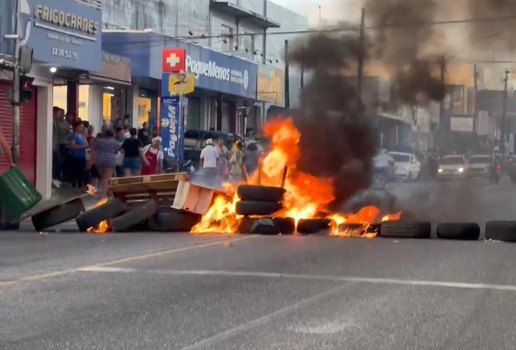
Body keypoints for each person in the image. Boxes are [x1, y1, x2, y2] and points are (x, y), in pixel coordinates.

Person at [93, 129, 120, 198]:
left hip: (100, 160)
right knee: (106, 178)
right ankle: (103, 195)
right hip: (110, 160)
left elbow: (95, 151)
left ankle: (107, 193)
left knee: (103, 178)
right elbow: (116, 151)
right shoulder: (114, 142)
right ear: (112, 135)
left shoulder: (99, 141)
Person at [68, 122, 89, 189]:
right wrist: (82, 147)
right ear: (76, 127)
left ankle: (80, 185)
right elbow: (73, 146)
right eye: (80, 127)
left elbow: (87, 145)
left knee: (81, 171)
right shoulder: (73, 136)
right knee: (75, 171)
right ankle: (74, 185)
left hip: (82, 156)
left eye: (83, 127)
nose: (82, 128)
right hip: (75, 156)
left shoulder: (83, 136)